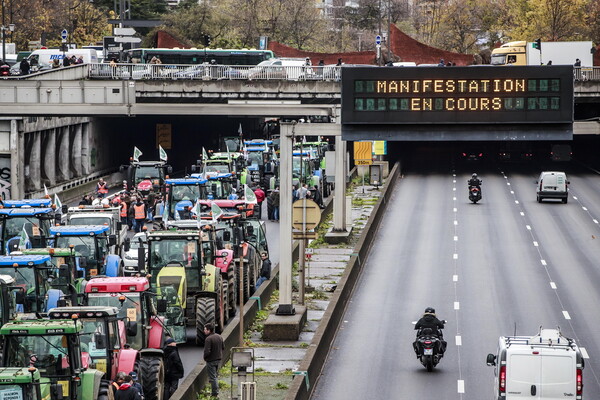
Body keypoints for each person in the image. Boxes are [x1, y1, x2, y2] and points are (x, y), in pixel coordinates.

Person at [203, 323, 224, 398]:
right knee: (215, 376)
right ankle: (215, 390)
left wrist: (205, 358)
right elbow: (223, 347)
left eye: (205, 329)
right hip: (219, 359)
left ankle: (215, 393)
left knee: (212, 378)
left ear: (209, 330)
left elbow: (207, 351)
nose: (204, 331)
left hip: (211, 361)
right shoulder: (219, 337)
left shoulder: (208, 339)